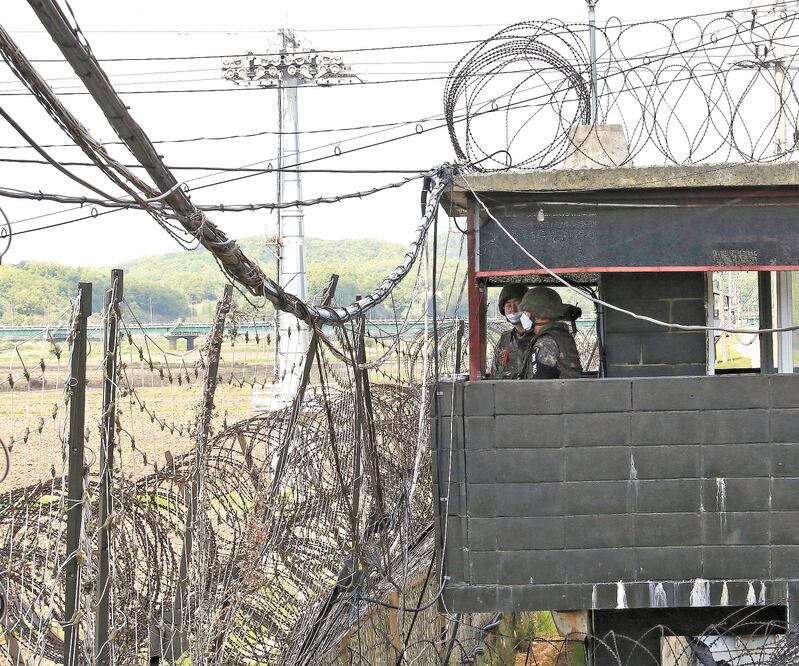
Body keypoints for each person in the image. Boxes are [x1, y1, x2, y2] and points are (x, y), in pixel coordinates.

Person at [518, 286, 583, 379]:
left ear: (537, 315)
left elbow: (541, 384)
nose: (523, 316)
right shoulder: (560, 335)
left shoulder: (546, 342)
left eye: (525, 312)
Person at [489, 283, 533, 379]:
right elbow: (495, 375)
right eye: (508, 306)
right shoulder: (505, 339)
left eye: (518, 304)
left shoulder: (541, 336)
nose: (513, 310)